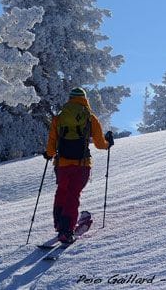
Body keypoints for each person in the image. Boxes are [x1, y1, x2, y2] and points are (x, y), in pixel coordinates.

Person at [43, 86, 114, 243]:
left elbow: (52, 143)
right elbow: (100, 144)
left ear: (70, 99)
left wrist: (48, 154)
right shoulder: (89, 117)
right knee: (73, 194)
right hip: (81, 164)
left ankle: (59, 224)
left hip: (61, 165)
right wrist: (109, 142)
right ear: (84, 99)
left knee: (62, 191)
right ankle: (66, 230)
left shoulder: (59, 117)